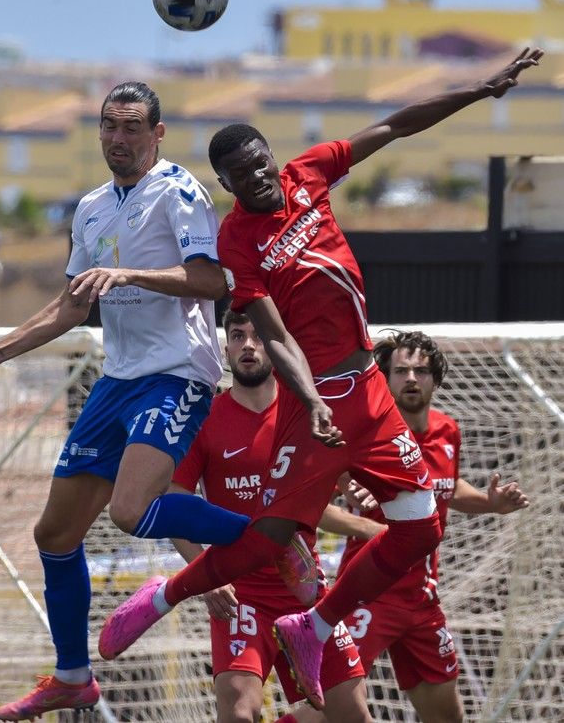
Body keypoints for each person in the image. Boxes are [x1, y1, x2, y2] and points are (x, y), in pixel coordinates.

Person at [97, 50, 543, 710]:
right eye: (240, 175)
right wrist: (309, 399)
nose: (258, 177)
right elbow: (274, 334)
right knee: (270, 538)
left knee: (421, 531)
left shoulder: (308, 172)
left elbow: (393, 127)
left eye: (260, 163)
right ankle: (163, 595)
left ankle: (317, 622)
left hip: (368, 388)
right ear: (226, 183)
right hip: (325, 400)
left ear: (273, 156)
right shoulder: (237, 242)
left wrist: (480, 89)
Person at [0, 81, 256, 720]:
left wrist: (129, 274)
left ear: (157, 133)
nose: (117, 138)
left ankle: (274, 536)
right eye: (109, 127)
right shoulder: (89, 208)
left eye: (131, 127)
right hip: (118, 379)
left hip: (176, 373)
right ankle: (73, 677)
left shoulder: (179, 190)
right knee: (53, 533)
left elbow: (213, 280)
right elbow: (70, 305)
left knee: (132, 509)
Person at [287, 330, 529, 723]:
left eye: (421, 370)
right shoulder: (364, 437)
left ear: (436, 378)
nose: (412, 378)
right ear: (384, 378)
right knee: (330, 710)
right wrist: (369, 530)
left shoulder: (448, 430)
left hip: (423, 600)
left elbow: (444, 488)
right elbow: (307, 506)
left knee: (448, 716)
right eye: (401, 370)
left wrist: (489, 503)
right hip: (368, 594)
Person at [169, 309, 379, 723]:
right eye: (237, 336)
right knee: (239, 712)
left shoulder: (309, 412)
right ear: (225, 347)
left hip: (304, 594)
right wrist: (202, 573)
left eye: (258, 336)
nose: (248, 345)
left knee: (350, 716)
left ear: (279, 347)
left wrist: (362, 492)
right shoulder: (204, 417)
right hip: (239, 594)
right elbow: (175, 499)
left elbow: (335, 485)